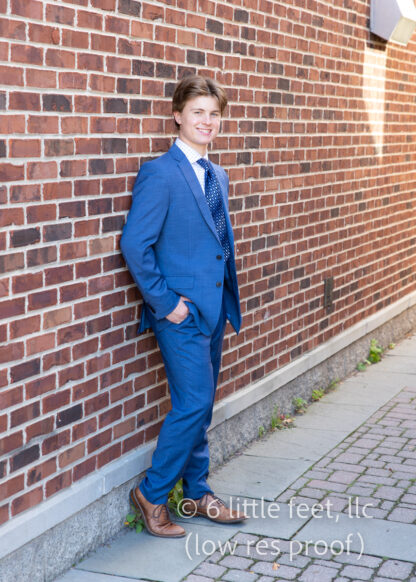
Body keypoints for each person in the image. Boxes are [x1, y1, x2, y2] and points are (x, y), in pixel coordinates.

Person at [120, 75, 246, 538]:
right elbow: (135, 244)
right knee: (193, 404)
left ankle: (197, 492)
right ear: (178, 116)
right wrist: (166, 303)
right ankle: (152, 494)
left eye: (214, 113)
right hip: (181, 313)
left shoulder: (218, 175)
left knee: (202, 405)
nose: (207, 121)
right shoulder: (160, 172)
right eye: (198, 112)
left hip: (213, 309)